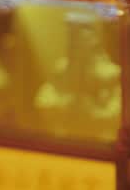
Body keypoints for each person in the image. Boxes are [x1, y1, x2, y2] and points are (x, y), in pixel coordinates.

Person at [34, 11, 122, 140]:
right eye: (73, 38)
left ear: (94, 40)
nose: (78, 44)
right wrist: (67, 104)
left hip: (100, 138)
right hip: (69, 137)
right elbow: (43, 101)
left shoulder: (111, 73)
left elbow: (118, 112)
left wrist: (93, 112)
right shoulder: (62, 69)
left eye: (83, 36)